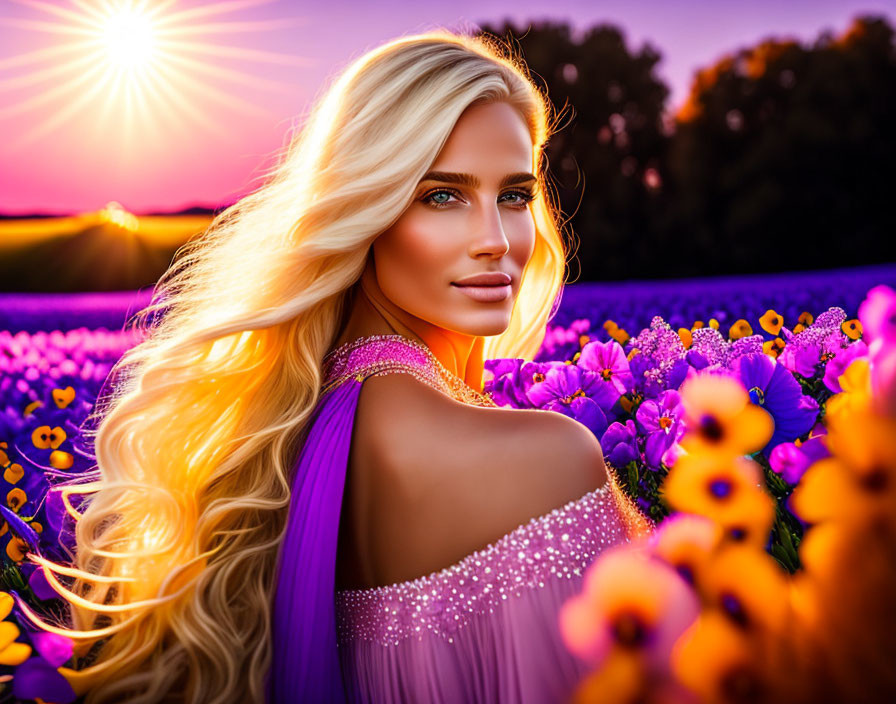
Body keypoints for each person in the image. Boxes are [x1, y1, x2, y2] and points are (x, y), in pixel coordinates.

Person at [19, 29, 649, 704]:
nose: (496, 240)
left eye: (515, 195)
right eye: (442, 196)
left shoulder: (279, 430)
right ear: (364, 210)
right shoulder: (547, 460)